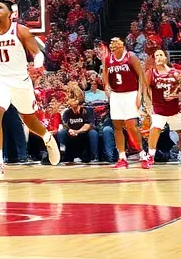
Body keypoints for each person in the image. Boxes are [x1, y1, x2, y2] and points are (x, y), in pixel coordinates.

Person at [0, 1, 60, 180]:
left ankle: (47, 138)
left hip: (21, 80)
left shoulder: (21, 30)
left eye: (0, 8)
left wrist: (37, 67)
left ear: (10, 13)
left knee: (30, 120)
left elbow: (38, 53)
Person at [103, 36, 144, 169]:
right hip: (116, 95)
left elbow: (141, 77)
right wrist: (107, 88)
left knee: (132, 126)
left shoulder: (130, 57)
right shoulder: (108, 60)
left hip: (131, 93)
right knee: (117, 126)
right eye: (112, 44)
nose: (113, 46)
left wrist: (139, 95)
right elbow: (105, 78)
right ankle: (122, 157)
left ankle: (143, 154)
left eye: (116, 43)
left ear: (122, 46)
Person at [143, 48, 181, 168]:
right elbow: (145, 89)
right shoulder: (151, 72)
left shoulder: (176, 72)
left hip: (174, 108)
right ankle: (150, 156)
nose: (158, 57)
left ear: (165, 57)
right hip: (159, 108)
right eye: (156, 55)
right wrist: (148, 105)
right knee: (155, 130)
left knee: (180, 132)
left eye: (160, 54)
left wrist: (177, 95)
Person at [56, 92, 96, 164]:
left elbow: (88, 125)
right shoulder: (67, 112)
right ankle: (63, 154)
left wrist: (77, 131)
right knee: (61, 132)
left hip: (84, 134)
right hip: (71, 134)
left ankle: (94, 156)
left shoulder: (87, 110)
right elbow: (65, 124)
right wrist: (70, 130)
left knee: (93, 133)